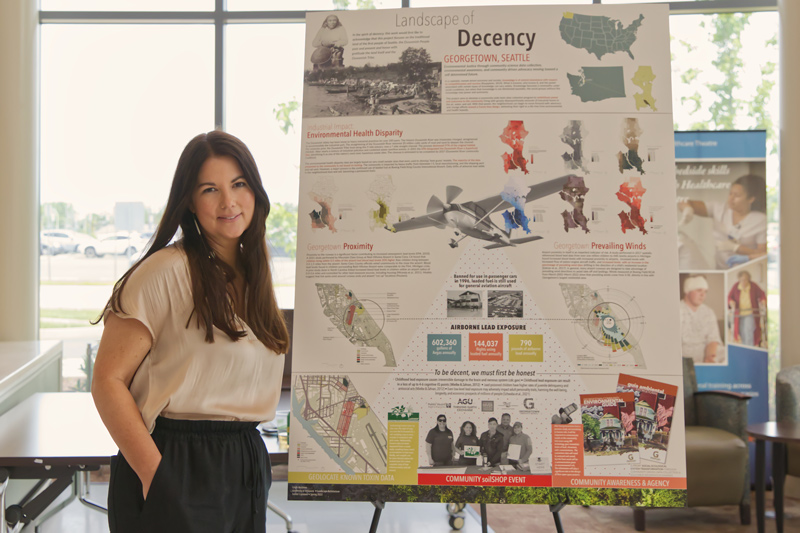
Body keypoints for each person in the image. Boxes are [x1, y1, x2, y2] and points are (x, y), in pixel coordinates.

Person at [91, 131, 290, 533]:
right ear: (191, 202)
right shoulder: (163, 272)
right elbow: (106, 381)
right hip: (176, 460)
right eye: (210, 189)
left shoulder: (256, 279)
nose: (228, 202)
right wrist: (156, 477)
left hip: (244, 461)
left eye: (238, 184)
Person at [678, 174, 767, 269]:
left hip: (748, 270)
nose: (731, 199)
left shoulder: (760, 220)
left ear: (751, 199)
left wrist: (737, 248)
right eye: (730, 193)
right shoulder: (719, 209)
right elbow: (684, 201)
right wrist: (687, 208)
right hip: (721, 270)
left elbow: (762, 253)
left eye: (737, 195)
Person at [679, 275, 723, 364]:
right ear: (687, 291)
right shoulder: (676, 310)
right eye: (699, 290)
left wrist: (709, 357)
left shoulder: (709, 312)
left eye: (705, 291)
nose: (703, 295)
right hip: (683, 355)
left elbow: (713, 339)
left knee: (724, 353)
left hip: (704, 352)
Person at [728, 270, 767, 347]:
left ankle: (750, 348)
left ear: (748, 279)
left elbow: (762, 294)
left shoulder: (753, 286)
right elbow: (729, 297)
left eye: (745, 279)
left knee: (748, 331)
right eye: (742, 280)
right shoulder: (736, 286)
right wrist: (731, 302)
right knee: (742, 333)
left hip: (750, 313)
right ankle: (746, 348)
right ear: (739, 279)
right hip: (739, 314)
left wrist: (763, 300)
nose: (744, 282)